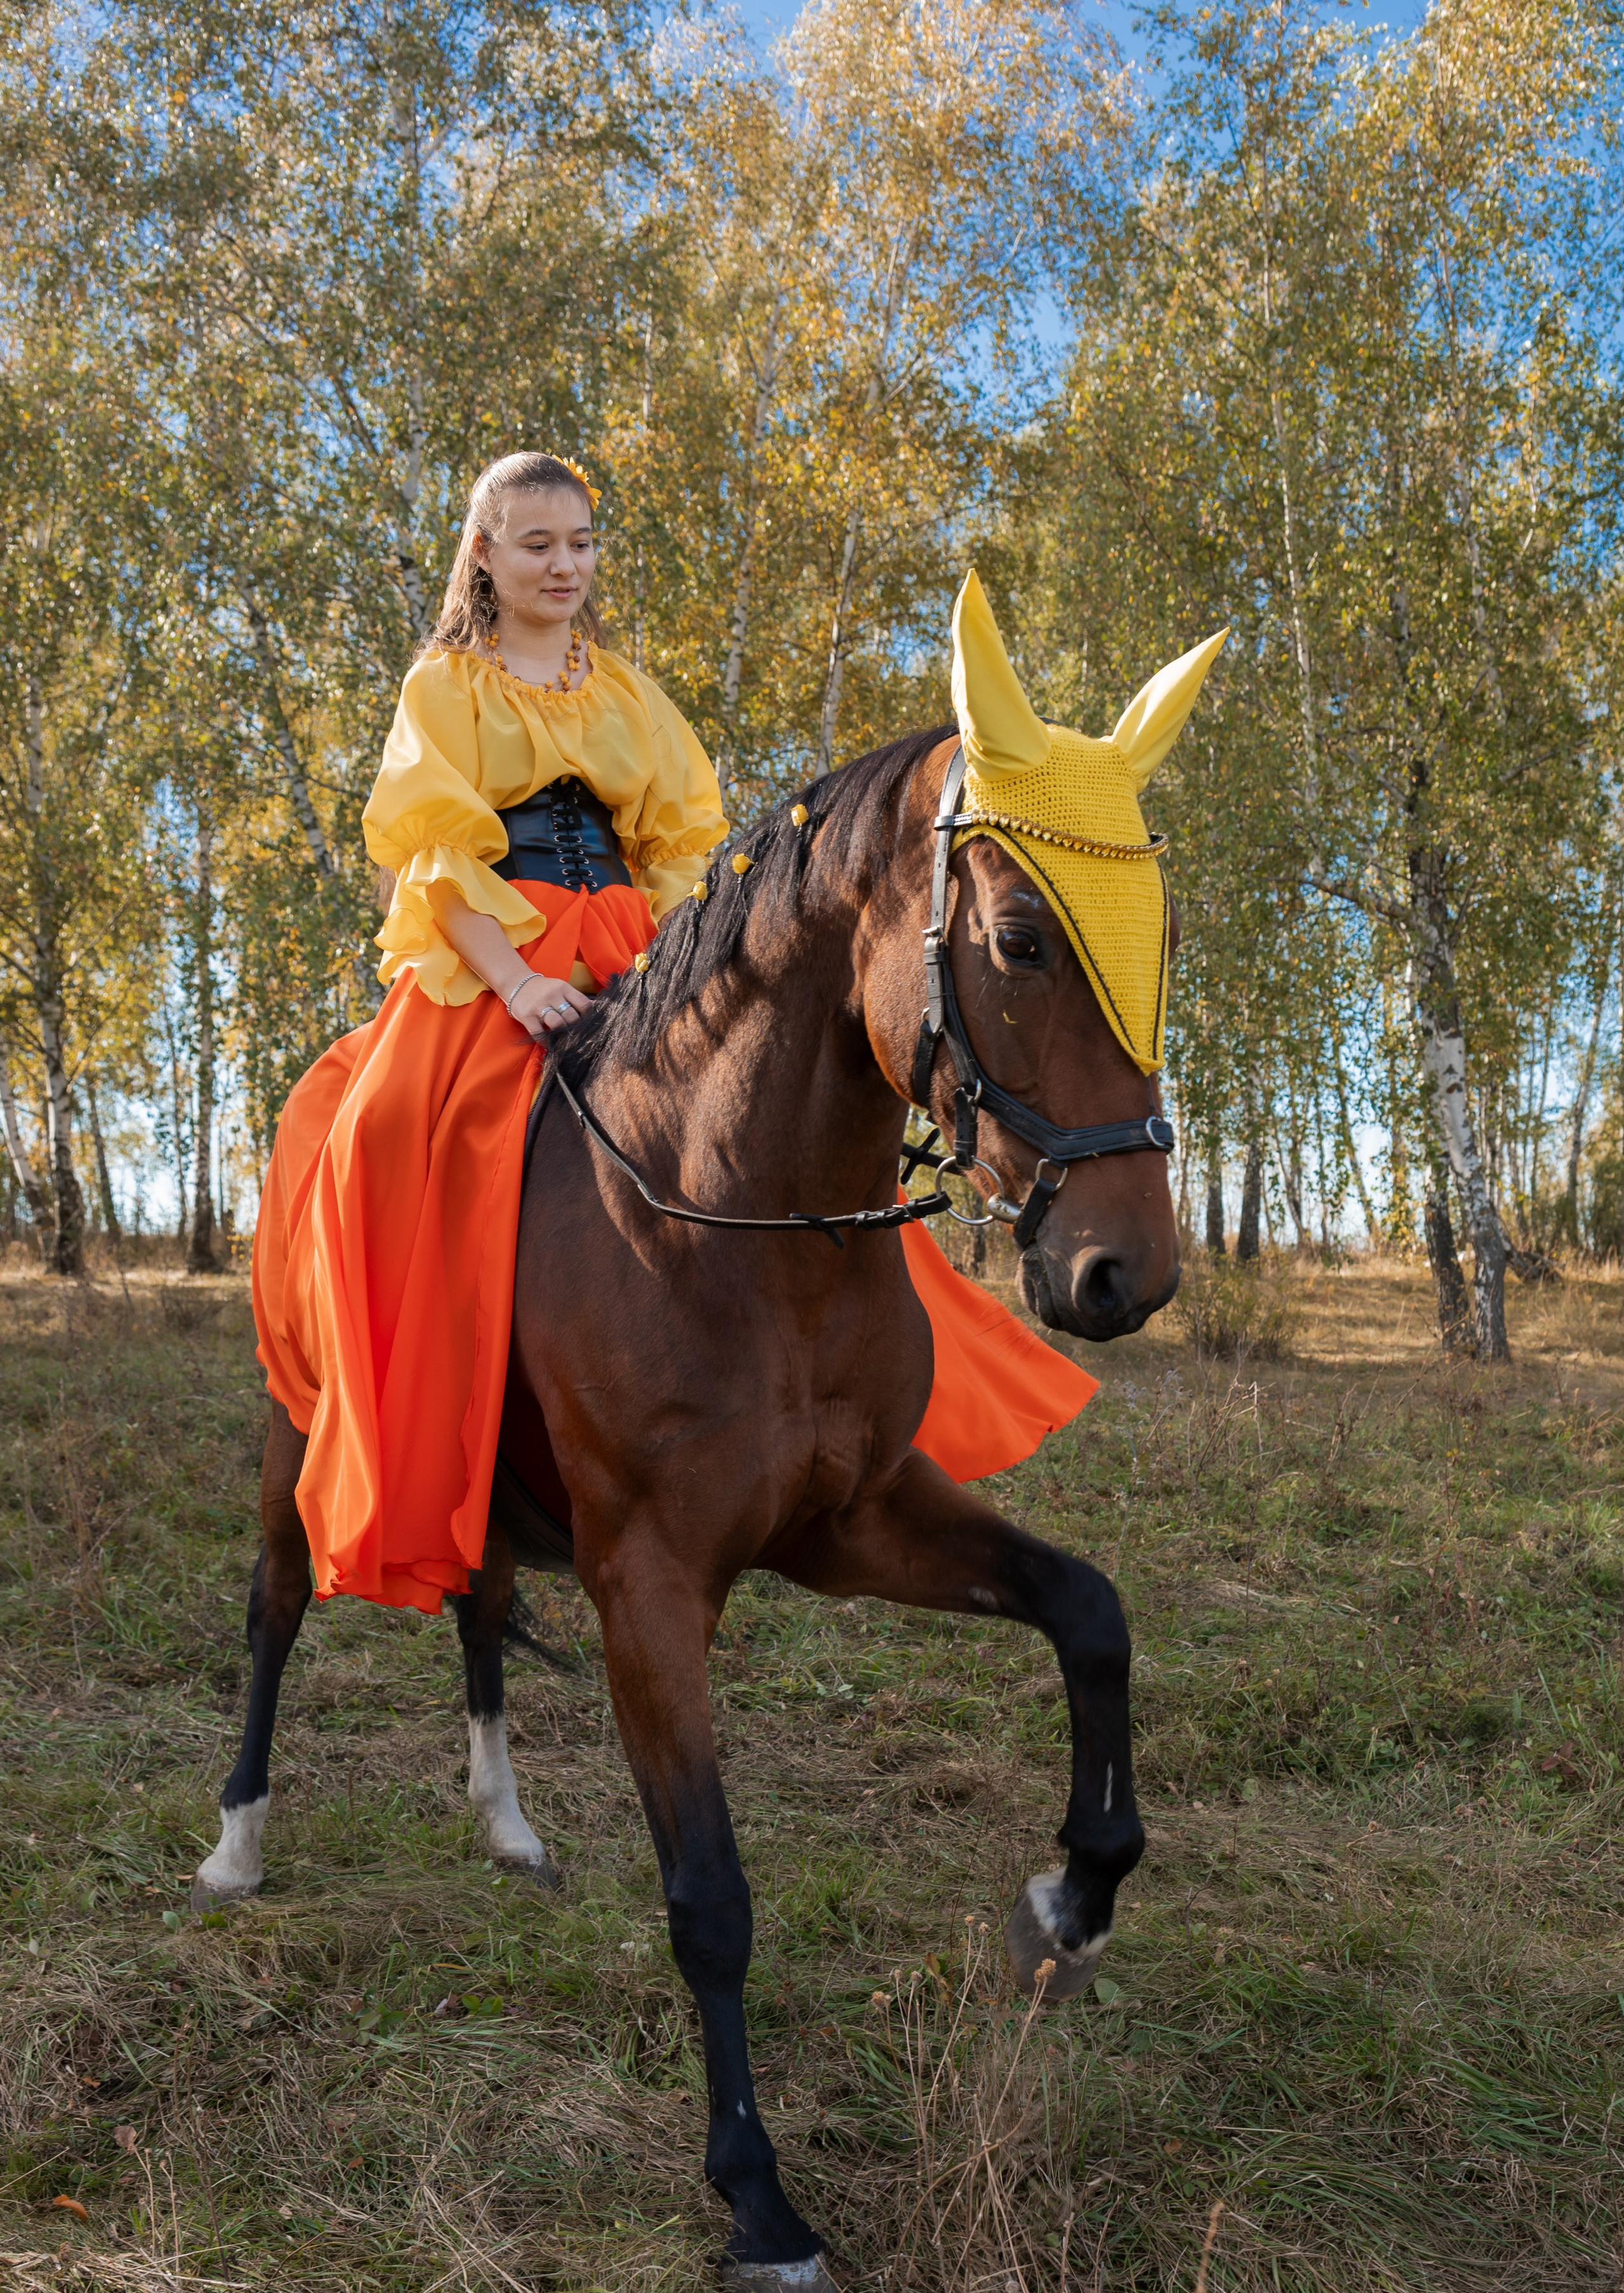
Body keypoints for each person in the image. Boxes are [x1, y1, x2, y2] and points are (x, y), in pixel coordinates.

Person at [253, 449, 1093, 1616]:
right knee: (389, 1135)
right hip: (488, 958)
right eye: (536, 543)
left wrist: (683, 969)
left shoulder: (624, 691)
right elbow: (432, 854)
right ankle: (407, 1420)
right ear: (484, 553)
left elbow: (686, 846)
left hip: (635, 954)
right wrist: (517, 985)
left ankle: (862, 1388)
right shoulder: (445, 687)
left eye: (581, 543)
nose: (563, 565)